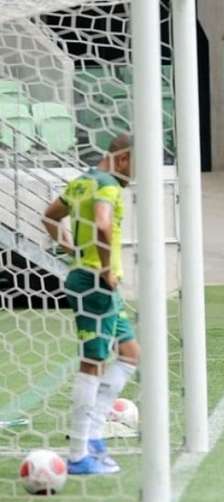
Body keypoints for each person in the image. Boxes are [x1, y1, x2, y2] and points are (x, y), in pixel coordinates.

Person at [42, 134, 138, 475]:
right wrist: (105, 267)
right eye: (135, 167)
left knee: (129, 352)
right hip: (96, 280)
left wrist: (68, 247)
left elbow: (51, 216)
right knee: (93, 363)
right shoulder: (108, 186)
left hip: (86, 276)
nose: (134, 176)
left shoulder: (83, 182)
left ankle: (95, 434)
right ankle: (80, 454)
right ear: (123, 159)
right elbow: (101, 222)